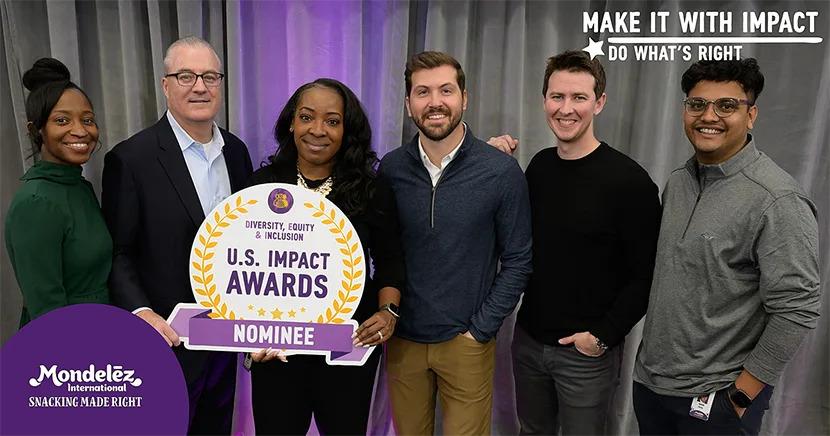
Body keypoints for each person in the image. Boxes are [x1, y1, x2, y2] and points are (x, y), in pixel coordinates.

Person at [633, 58, 820, 435]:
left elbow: (797, 308)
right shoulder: (678, 182)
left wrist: (740, 397)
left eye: (727, 106)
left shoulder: (776, 199)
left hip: (716, 401)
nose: (709, 116)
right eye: (697, 104)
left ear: (751, 115)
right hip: (652, 389)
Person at [102, 36, 253, 434]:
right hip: (165, 340)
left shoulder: (237, 153)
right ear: (166, 85)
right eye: (186, 76)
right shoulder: (131, 159)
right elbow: (117, 252)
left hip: (223, 338)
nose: (200, 86)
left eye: (210, 76)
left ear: (221, 84)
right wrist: (142, 313)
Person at [380, 51, 533, 435]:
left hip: (466, 342)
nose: (435, 102)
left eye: (446, 90)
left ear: (464, 98)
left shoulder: (500, 172)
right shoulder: (391, 169)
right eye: (422, 92)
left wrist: (480, 330)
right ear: (407, 104)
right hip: (403, 342)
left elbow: (518, 260)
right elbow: (381, 251)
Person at [508, 50, 661, 435]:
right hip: (528, 342)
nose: (566, 109)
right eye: (557, 96)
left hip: (586, 354)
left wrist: (601, 337)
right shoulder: (539, 167)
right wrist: (492, 166)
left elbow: (646, 274)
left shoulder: (630, 182)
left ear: (599, 102)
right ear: (544, 100)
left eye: (579, 97)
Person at [246, 78, 405, 435]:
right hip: (277, 350)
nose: (318, 130)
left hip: (347, 346)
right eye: (306, 117)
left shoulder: (371, 190)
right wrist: (247, 339)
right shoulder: (259, 187)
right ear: (291, 122)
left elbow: (391, 261)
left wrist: (387, 311)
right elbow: (237, 268)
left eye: (332, 121)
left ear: (347, 130)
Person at [6, 57, 110, 327]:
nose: (80, 131)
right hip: (65, 349)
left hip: (99, 331)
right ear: (36, 130)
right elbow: (47, 311)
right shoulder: (36, 202)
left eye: (88, 120)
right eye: (62, 120)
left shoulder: (79, 188)